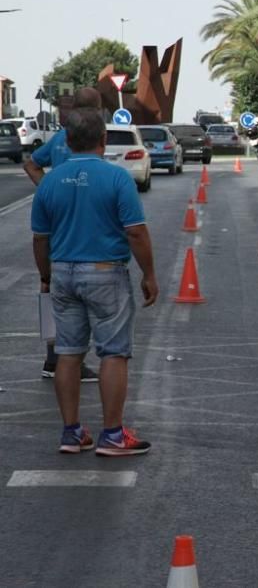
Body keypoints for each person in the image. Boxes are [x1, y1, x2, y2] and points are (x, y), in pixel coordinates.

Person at [30, 108, 158, 456]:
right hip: (105, 273)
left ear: (67, 141)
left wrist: (45, 275)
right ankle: (113, 434)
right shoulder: (117, 179)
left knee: (68, 353)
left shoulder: (50, 182)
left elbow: (40, 238)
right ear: (103, 139)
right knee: (114, 353)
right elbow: (136, 232)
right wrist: (148, 274)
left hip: (63, 273)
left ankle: (72, 432)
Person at [23, 87, 102, 383]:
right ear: (95, 109)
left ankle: (52, 357)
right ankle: (73, 361)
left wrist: (46, 188)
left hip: (56, 219)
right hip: (82, 221)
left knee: (51, 288)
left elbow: (31, 163)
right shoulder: (86, 138)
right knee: (79, 291)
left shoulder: (58, 138)